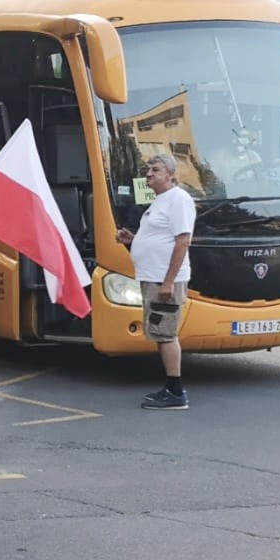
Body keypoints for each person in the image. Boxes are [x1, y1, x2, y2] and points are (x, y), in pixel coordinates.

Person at [115, 153, 195, 409]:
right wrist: (134, 239)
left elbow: (183, 241)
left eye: (155, 169)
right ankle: (171, 388)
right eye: (147, 169)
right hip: (154, 278)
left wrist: (168, 282)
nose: (148, 173)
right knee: (160, 333)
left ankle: (176, 392)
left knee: (166, 334)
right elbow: (162, 237)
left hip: (163, 280)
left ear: (170, 174)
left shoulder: (178, 200)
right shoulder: (160, 200)